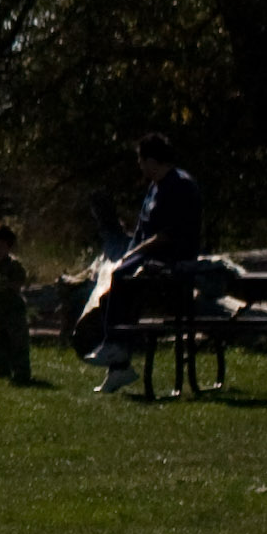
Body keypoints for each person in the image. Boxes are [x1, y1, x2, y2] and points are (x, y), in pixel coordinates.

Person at [81, 133, 204, 393]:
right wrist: (129, 253)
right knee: (113, 285)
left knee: (123, 278)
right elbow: (141, 229)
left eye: (140, 160)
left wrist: (132, 255)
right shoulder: (155, 187)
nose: (139, 166)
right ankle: (118, 364)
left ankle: (116, 346)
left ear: (151, 159)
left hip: (172, 264)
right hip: (148, 260)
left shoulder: (180, 186)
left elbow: (168, 235)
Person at [0, 221, 33, 385]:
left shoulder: (14, 265)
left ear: (8, 247)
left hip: (14, 311)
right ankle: (1, 370)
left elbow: (20, 282)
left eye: (1, 247)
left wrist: (6, 283)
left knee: (17, 343)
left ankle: (22, 372)